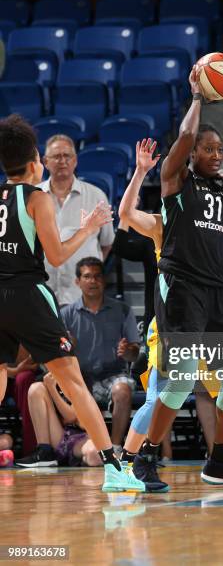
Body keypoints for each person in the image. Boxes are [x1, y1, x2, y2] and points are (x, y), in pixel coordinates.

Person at [122, 66, 223, 490]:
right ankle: (145, 458)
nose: (214, 154)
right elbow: (185, 140)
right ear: (192, 155)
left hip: (216, 292)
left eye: (218, 149)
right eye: (207, 149)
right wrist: (197, 97)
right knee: (177, 384)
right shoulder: (175, 182)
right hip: (180, 289)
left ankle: (221, 459)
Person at [0, 114, 144, 492]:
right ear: (35, 163)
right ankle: (114, 468)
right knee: (74, 382)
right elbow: (58, 255)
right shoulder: (37, 198)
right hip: (28, 296)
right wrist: (90, 226)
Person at [61, 257, 140, 457]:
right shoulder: (67, 314)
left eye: (97, 276)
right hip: (81, 377)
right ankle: (89, 448)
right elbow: (59, 352)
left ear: (103, 280)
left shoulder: (122, 310)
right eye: (87, 276)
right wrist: (69, 347)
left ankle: (113, 449)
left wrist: (128, 351)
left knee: (123, 389)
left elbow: (135, 353)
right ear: (77, 282)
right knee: (71, 387)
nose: (93, 281)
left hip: (113, 374)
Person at [37, 134, 115, 306]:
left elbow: (107, 243)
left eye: (67, 156)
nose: (62, 161)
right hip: (42, 293)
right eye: (56, 156)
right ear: (45, 161)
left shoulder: (96, 196)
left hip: (81, 297)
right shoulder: (33, 196)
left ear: (76, 160)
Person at [15, 372, 101, 468]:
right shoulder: (45, 379)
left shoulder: (80, 377)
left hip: (81, 436)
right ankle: (44, 452)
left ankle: (81, 461)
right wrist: (51, 386)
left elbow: (71, 417)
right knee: (36, 388)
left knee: (94, 455)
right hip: (60, 438)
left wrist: (52, 389)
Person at [5, 345, 38, 455]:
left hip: (19, 377)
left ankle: (31, 450)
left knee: (25, 378)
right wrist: (15, 370)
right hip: (5, 374)